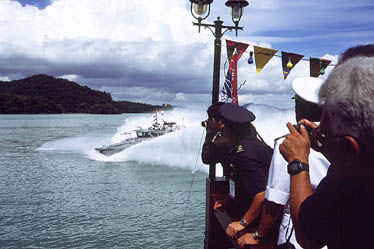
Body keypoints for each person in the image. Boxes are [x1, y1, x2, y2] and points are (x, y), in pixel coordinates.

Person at [279, 56, 374, 249]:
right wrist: (331, 147)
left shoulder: (345, 179)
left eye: (327, 129)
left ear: (350, 150)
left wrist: (298, 162)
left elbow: (308, 237)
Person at [236, 77, 330, 248]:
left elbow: (276, 198)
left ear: (298, 109)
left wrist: (258, 235)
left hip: (298, 235)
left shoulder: (288, 143)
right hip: (331, 233)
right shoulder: (341, 139)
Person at [215, 103, 273, 240]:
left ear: (228, 130)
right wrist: (228, 200)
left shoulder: (245, 154)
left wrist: (243, 223)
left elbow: (262, 192)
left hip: (259, 222)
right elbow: (242, 180)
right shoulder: (251, 145)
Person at [201, 102, 234, 177]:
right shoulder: (241, 132)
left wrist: (209, 133)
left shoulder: (222, 142)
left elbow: (206, 158)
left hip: (236, 185)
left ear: (213, 120)